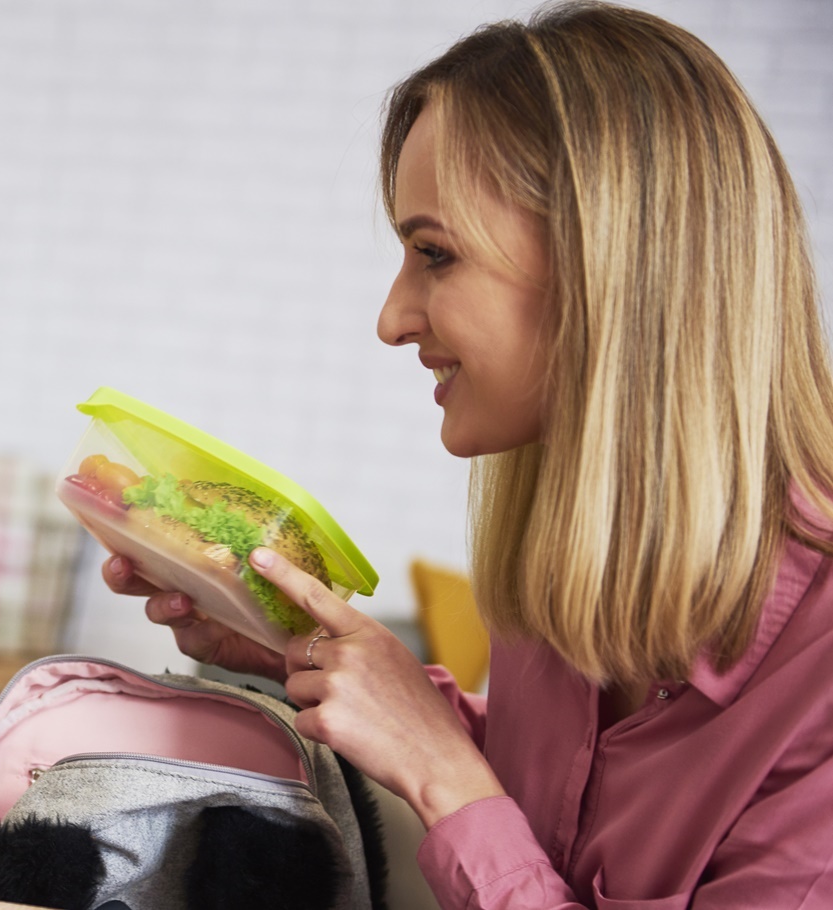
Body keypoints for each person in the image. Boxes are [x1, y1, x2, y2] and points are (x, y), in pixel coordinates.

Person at [105, 2, 833, 906]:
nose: (391, 318)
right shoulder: (564, 566)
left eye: (435, 254)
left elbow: (483, 806)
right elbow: (560, 808)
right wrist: (305, 652)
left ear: (607, 263)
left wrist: (443, 777)